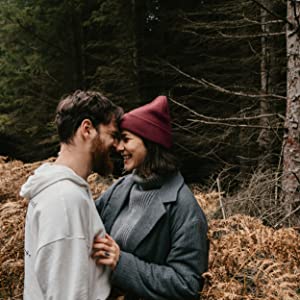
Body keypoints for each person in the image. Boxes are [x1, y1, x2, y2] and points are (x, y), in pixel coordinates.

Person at [93, 95, 209, 300]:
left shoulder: (184, 208)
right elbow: (88, 222)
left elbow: (187, 284)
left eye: (126, 139)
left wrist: (122, 263)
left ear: (150, 142)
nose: (119, 148)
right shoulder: (122, 187)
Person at [20, 90, 123, 300]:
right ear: (87, 129)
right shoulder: (65, 201)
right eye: (112, 135)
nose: (117, 146)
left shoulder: (61, 191)